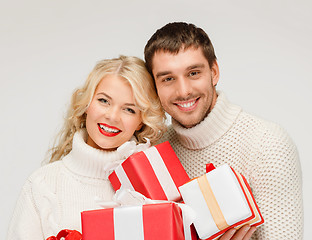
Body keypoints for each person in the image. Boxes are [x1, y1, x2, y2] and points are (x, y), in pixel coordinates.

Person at [144, 22, 303, 240]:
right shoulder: (154, 151)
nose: (184, 91)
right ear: (154, 86)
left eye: (193, 73)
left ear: (214, 72)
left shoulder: (267, 144)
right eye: (168, 79)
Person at [7, 56, 167, 240]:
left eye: (129, 109)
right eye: (104, 101)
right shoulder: (42, 185)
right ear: (86, 105)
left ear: (141, 122)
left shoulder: (153, 188)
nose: (113, 116)